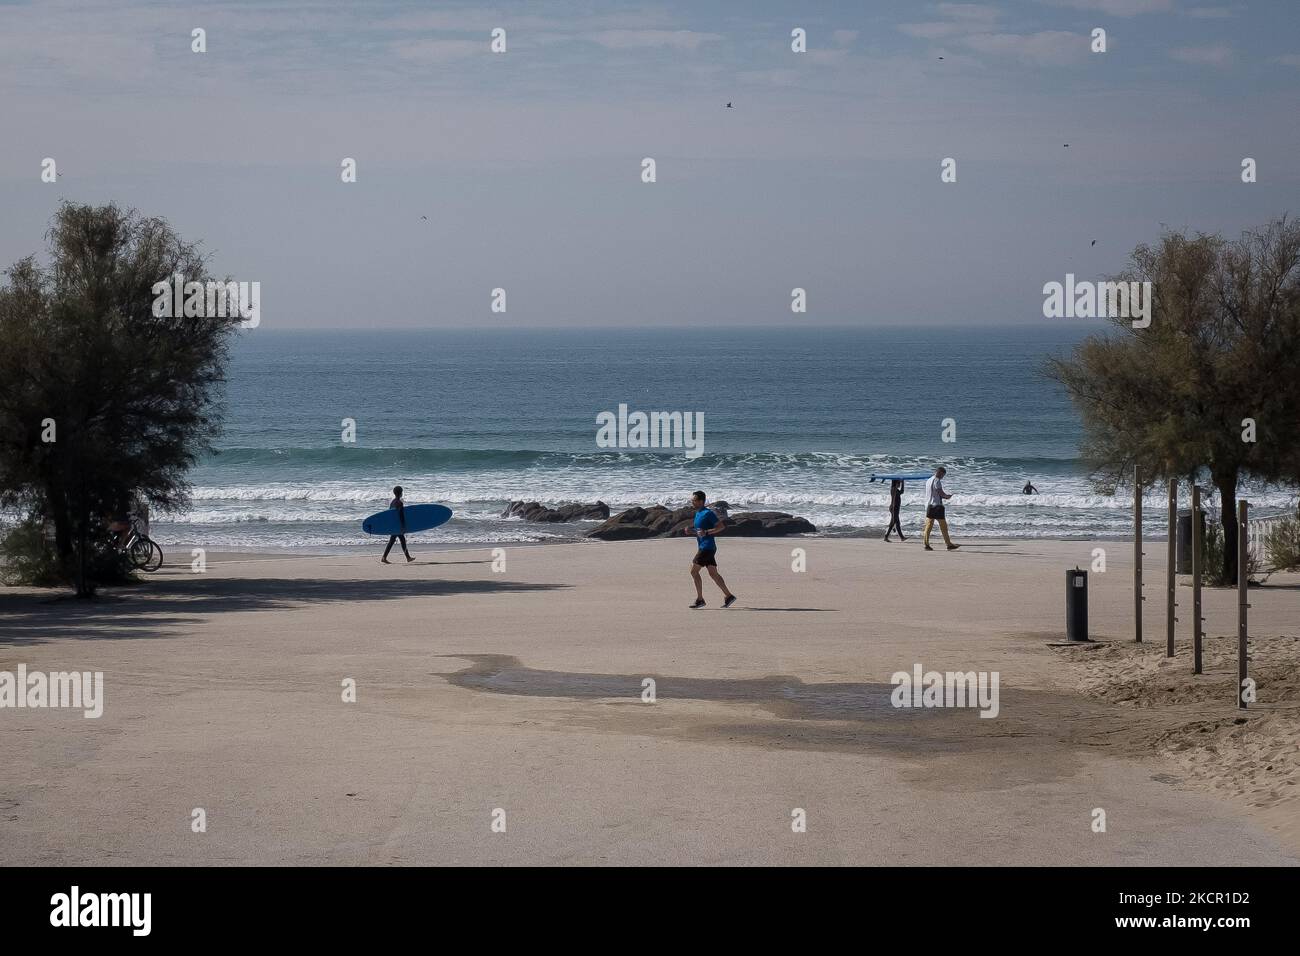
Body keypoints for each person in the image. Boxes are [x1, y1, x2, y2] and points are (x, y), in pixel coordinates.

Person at [687, 490, 736, 609]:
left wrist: (707, 532)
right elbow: (700, 531)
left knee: (693, 571)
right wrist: (691, 531)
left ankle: (700, 599)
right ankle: (729, 596)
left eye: (693, 500)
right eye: (692, 500)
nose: (692, 502)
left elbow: (721, 527)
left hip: (707, 547)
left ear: (701, 501)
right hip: (705, 546)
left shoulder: (708, 513)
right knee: (713, 573)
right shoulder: (698, 513)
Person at [922, 467, 959, 552]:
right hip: (936, 506)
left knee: (928, 526)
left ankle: (926, 543)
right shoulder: (937, 480)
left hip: (928, 505)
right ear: (940, 473)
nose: (943, 477)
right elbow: (940, 493)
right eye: (943, 475)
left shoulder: (929, 480)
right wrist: (947, 497)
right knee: (943, 526)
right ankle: (948, 544)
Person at [381, 485, 415, 564]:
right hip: (398, 525)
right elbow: (401, 515)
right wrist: (403, 525)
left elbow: (391, 513)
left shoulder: (392, 502)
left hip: (394, 524)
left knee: (394, 541)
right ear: (400, 493)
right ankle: (407, 557)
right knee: (400, 540)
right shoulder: (399, 503)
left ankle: (385, 557)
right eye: (402, 492)